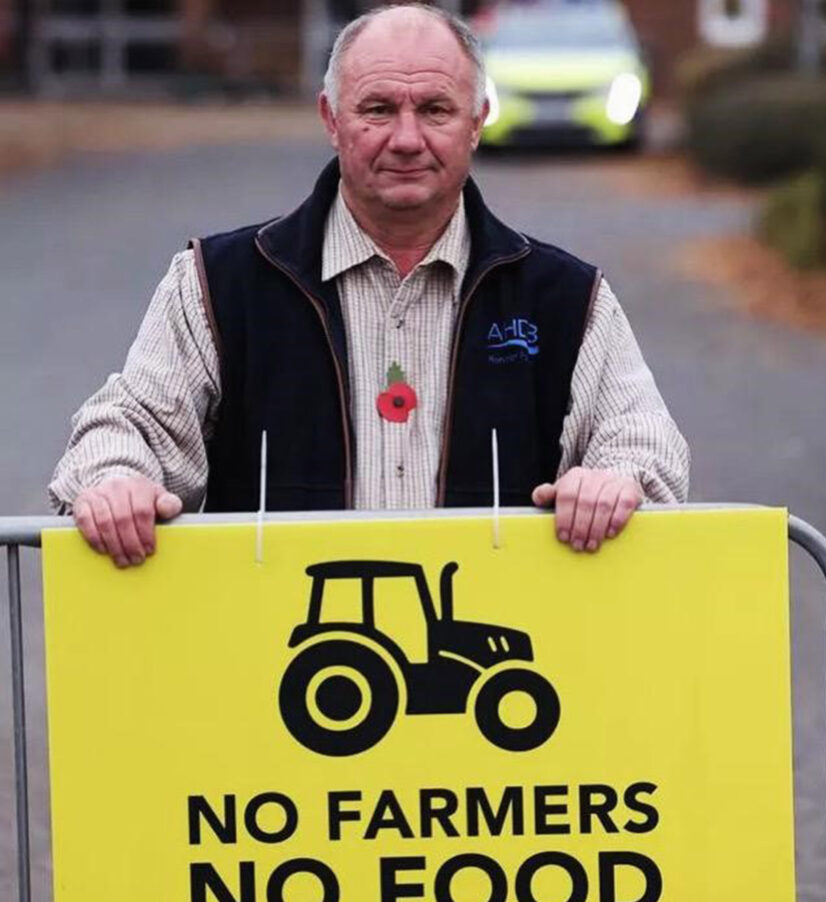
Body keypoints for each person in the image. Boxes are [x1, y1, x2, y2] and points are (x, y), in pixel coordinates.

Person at [49, 3, 689, 569]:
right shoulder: (217, 285)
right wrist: (115, 480)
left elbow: (647, 446)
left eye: (435, 109)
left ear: (477, 120)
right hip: (273, 680)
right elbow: (125, 424)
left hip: (497, 672)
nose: (406, 139)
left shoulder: (564, 298)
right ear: (332, 118)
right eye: (378, 108)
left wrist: (615, 480)